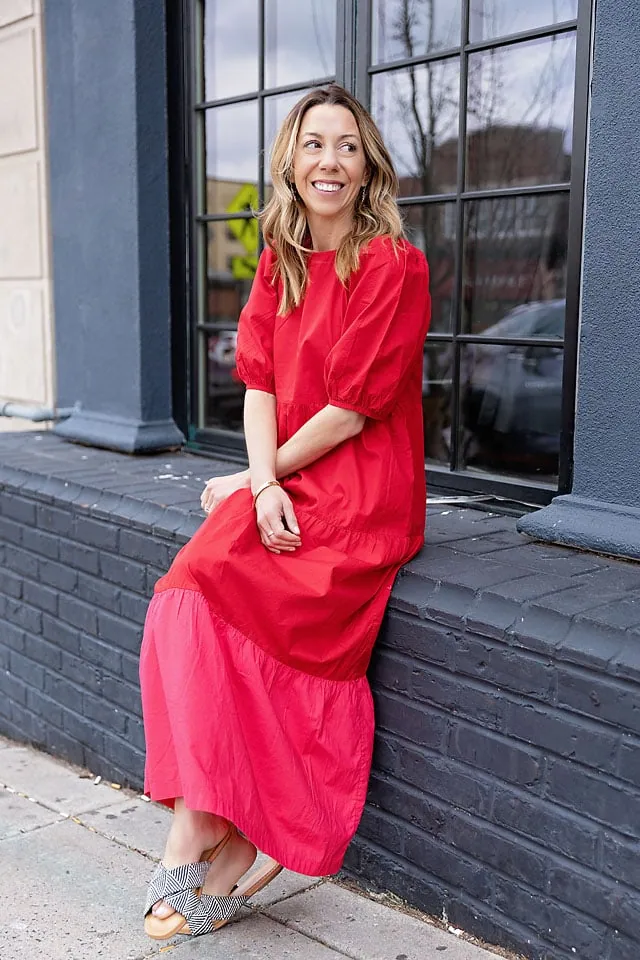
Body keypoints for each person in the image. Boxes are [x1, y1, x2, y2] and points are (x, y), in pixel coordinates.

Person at [140, 83, 431, 940]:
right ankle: (215, 820)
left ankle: (208, 832)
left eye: (347, 146)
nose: (329, 161)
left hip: (364, 489)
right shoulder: (280, 254)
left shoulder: (394, 265)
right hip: (291, 474)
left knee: (243, 583)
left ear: (366, 163)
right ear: (290, 163)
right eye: (314, 145)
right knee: (186, 591)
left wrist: (260, 480)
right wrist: (259, 481)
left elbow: (350, 409)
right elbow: (259, 382)